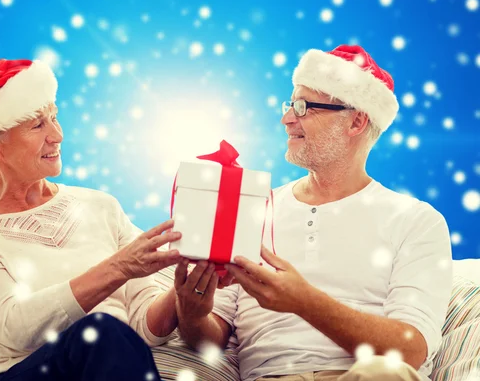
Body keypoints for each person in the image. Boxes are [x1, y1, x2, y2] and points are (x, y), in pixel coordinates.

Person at [174, 45, 453, 381]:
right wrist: (192, 315)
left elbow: (409, 352)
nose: (287, 118)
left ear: (356, 121)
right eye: (290, 105)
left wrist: (304, 301)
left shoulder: (416, 221)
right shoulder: (254, 208)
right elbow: (211, 338)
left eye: (304, 106)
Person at [0, 59, 181, 381]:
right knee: (99, 332)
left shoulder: (101, 206)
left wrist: (184, 291)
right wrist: (118, 267)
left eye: (54, 116)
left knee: (106, 336)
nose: (57, 134)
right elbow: (14, 326)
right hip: (20, 374)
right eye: (37, 125)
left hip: (106, 367)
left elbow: (146, 328)